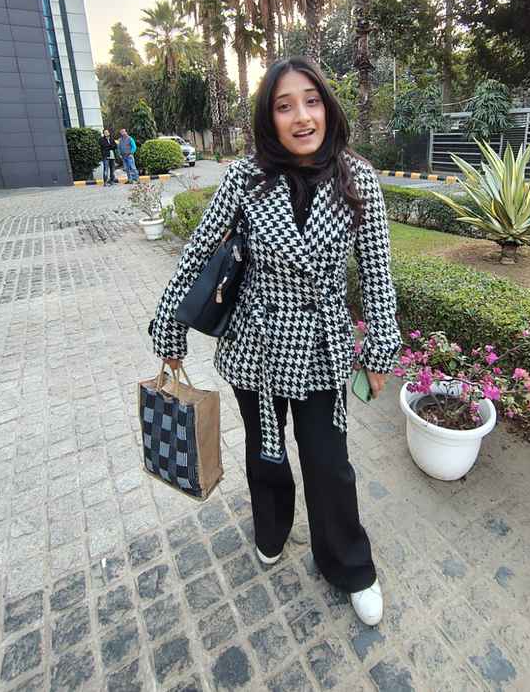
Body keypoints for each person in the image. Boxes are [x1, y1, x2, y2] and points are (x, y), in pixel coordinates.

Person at [151, 57, 400, 627]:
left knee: (329, 462)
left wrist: (380, 347)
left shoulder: (357, 178)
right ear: (269, 118)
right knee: (265, 449)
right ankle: (271, 528)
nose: (301, 116)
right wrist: (169, 324)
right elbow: (199, 249)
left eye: (311, 101)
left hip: (322, 346)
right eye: (285, 106)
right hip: (256, 345)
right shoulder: (246, 176)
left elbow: (377, 272)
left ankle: (349, 564)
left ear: (327, 107)